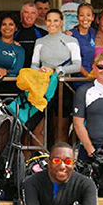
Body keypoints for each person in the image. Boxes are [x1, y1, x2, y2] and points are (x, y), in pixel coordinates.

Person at [31, 9, 81, 143]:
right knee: (38, 127)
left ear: (62, 22)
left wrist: (58, 70)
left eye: (56, 20)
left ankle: (61, 159)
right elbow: (33, 65)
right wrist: (40, 70)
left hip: (63, 87)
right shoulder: (40, 41)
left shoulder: (71, 40)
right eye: (49, 20)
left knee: (61, 128)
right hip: (44, 87)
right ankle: (40, 160)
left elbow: (76, 65)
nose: (52, 24)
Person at [14, 1, 48, 68]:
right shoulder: (13, 32)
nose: (29, 16)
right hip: (16, 72)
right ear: (21, 14)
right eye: (26, 12)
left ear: (37, 15)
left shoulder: (43, 33)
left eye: (33, 13)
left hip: (35, 72)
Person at [69, 3, 97, 80]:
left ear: (92, 17)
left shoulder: (94, 33)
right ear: (77, 18)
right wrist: (88, 76)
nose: (85, 18)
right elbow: (73, 60)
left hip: (96, 77)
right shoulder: (71, 35)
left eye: (88, 15)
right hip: (78, 79)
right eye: (82, 15)